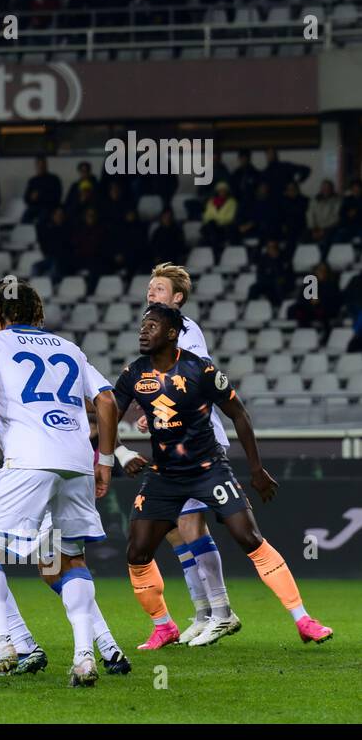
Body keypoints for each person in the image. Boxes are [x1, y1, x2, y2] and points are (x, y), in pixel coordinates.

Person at [113, 304, 333, 649]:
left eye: (152, 326)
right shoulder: (133, 374)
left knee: (249, 537)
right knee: (138, 552)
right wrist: (121, 452)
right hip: (165, 475)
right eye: (142, 326)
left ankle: (303, 619)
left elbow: (239, 415)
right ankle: (164, 626)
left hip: (208, 468)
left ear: (171, 334)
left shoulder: (200, 369)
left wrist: (257, 470)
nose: (143, 331)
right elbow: (107, 415)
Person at [0, 280, 119, 687]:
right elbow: (108, 402)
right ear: (38, 314)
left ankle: (1, 644)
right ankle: (84, 657)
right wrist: (107, 460)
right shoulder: (70, 349)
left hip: (29, 460)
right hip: (78, 461)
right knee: (69, 560)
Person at [115, 264, 238, 646]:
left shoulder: (185, 330)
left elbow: (191, 381)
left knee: (189, 528)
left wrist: (159, 407)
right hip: (172, 444)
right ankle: (203, 613)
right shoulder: (158, 333)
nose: (151, 293)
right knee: (173, 534)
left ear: (177, 298)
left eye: (159, 289)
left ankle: (222, 612)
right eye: (149, 288)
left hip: (198, 441)